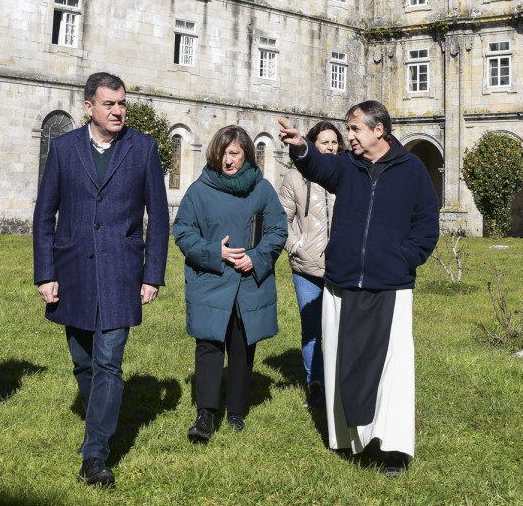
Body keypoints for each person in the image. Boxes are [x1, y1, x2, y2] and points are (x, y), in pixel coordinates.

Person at [278, 101, 438, 477]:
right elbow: (317, 165)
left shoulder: (412, 171)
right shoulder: (346, 167)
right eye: (348, 130)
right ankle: (353, 440)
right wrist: (300, 146)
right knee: (344, 364)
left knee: (392, 370)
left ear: (378, 130)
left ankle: (395, 450)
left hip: (391, 286)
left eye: (354, 129)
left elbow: (427, 226)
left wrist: (403, 258)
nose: (348, 137)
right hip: (343, 282)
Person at [32, 72, 168, 488]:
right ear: (88, 106)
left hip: (121, 271)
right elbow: (44, 217)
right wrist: (46, 273)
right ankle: (100, 425)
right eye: (109, 103)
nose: (118, 110)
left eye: (122, 103)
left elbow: (158, 220)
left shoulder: (143, 149)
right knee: (83, 360)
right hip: (71, 270)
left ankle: (95, 455)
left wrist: (152, 275)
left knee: (109, 361)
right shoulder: (63, 148)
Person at [173, 125, 287, 442]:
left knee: (242, 347)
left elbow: (278, 230)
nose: (228, 160)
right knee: (209, 345)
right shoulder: (199, 190)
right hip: (210, 280)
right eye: (223, 153)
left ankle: (236, 412)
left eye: (234, 153)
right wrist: (214, 252)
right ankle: (205, 415)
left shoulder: (262, 190)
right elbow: (183, 231)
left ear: (247, 154)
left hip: (248, 283)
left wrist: (257, 257)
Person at [277, 121, 344, 412]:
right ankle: (316, 385)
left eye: (334, 142)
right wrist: (295, 246)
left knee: (341, 327)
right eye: (324, 142)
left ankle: (341, 381)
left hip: (341, 265)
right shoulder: (295, 178)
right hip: (306, 266)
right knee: (312, 328)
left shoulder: (346, 173)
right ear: (312, 145)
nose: (330, 147)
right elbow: (281, 218)